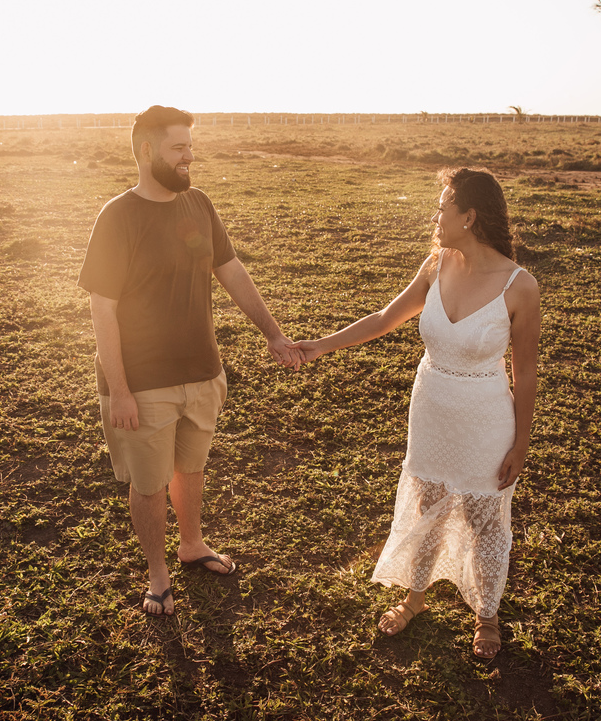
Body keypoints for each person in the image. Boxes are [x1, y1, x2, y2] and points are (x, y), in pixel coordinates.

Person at [289, 167, 540, 659]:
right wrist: (318, 346)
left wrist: (521, 444)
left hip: (486, 420)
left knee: (483, 516)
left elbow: (526, 374)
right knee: (428, 504)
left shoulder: (519, 286)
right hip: (431, 411)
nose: (435, 215)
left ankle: (486, 613)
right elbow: (385, 318)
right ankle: (416, 598)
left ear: (469, 216)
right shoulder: (435, 265)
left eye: (443, 206)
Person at [78, 105, 303, 618]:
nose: (189, 157)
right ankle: (158, 573)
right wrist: (120, 389)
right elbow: (102, 311)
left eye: (190, 147)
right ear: (146, 151)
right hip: (144, 381)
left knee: (191, 469)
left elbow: (231, 271)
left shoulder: (197, 206)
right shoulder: (117, 217)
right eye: (179, 148)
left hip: (203, 372)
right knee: (149, 483)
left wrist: (273, 334)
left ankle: (192, 544)